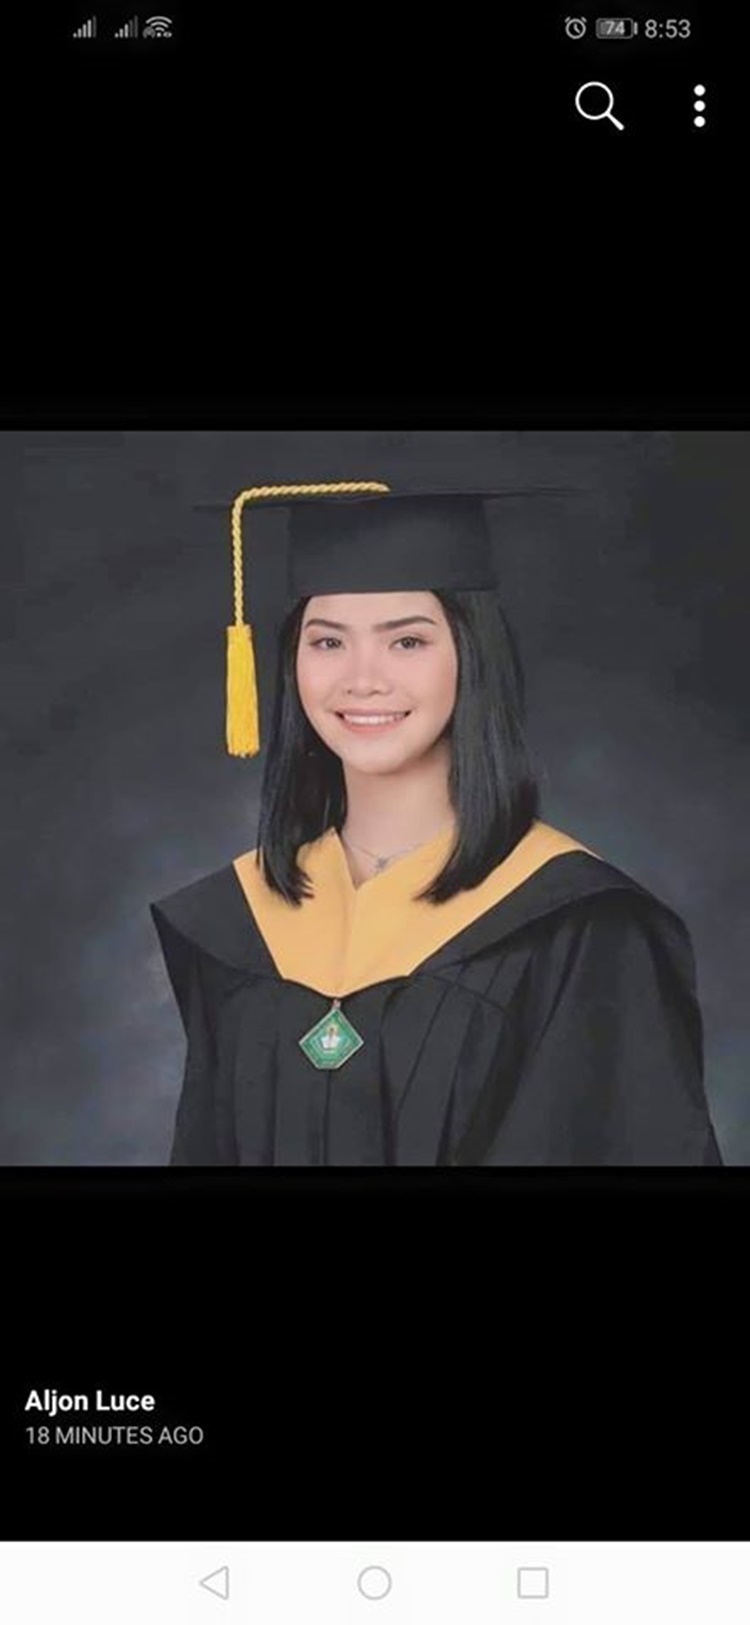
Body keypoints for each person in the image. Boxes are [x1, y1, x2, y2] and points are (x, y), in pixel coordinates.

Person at [150, 481, 723, 1167]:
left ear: (472, 654)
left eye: (407, 641)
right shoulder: (240, 930)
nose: (362, 679)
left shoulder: (578, 928)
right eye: (327, 640)